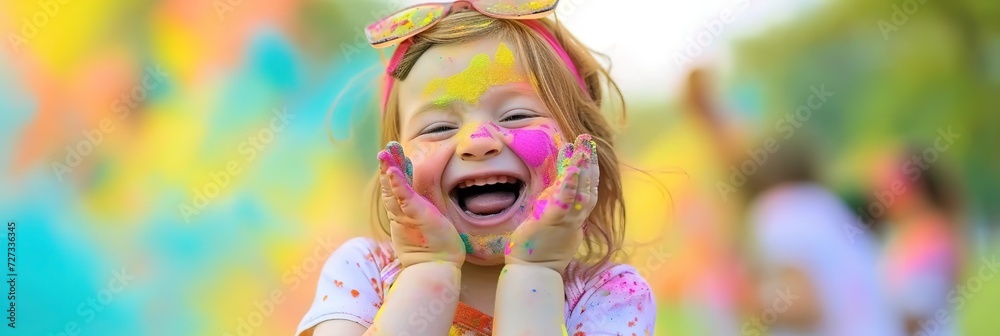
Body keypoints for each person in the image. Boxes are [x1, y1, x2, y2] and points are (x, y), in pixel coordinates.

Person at [297, 1, 655, 335]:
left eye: (517, 116)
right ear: (396, 162)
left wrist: (535, 271)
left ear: (582, 149)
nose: (478, 141)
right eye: (438, 128)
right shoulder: (363, 273)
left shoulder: (611, 296)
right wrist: (427, 272)